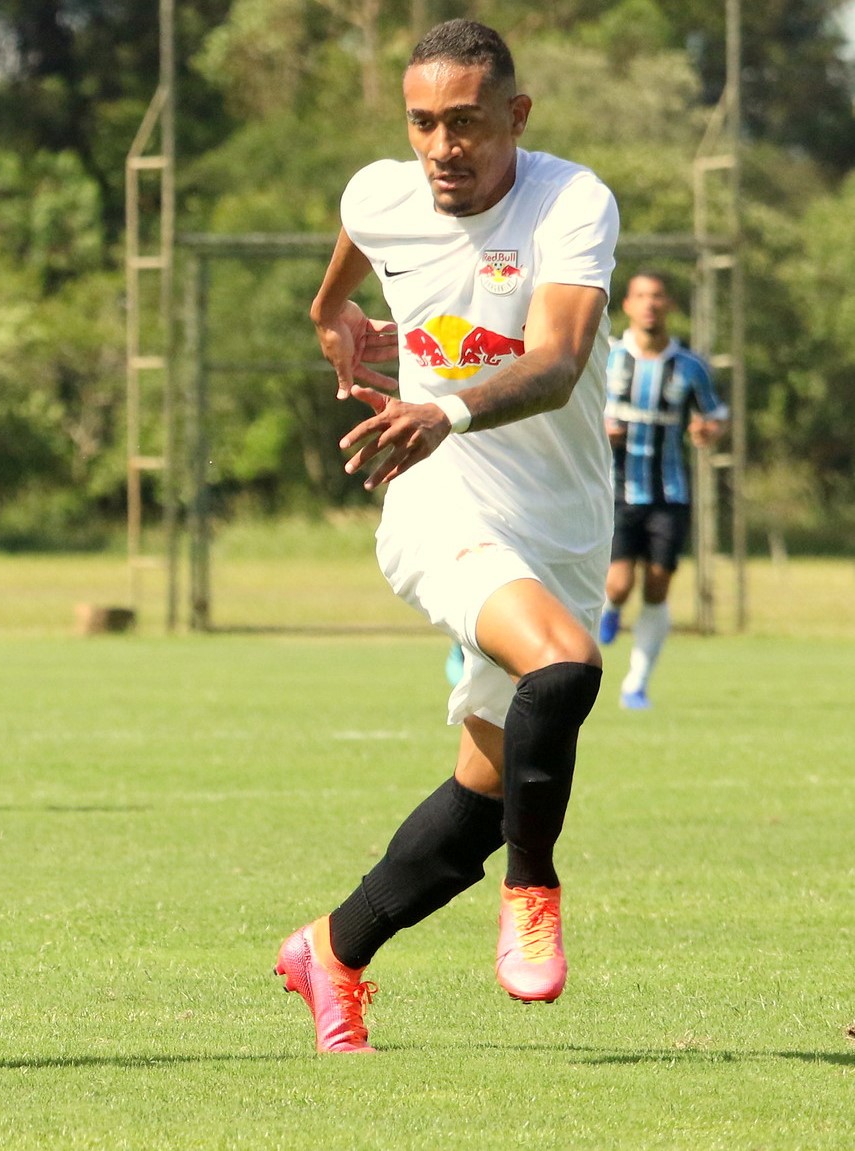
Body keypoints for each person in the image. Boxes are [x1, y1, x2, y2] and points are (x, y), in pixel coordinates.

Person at [280, 19, 619, 1053]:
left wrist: (447, 403)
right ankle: (533, 891)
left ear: (513, 117)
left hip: (558, 525)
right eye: (423, 123)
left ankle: (330, 949)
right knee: (562, 667)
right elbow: (342, 269)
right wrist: (334, 318)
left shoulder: (569, 202)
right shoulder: (379, 193)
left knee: (485, 791)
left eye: (466, 123)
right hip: (437, 506)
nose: (442, 147)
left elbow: (558, 361)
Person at [597, 270, 728, 710]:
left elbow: (716, 415)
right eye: (641, 296)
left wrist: (710, 431)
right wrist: (599, 429)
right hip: (615, 491)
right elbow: (575, 410)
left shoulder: (689, 366)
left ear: (668, 305)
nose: (650, 304)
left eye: (658, 297)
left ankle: (636, 684)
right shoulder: (608, 358)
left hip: (669, 494)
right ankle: (611, 610)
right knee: (616, 585)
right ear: (627, 306)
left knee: (656, 588)